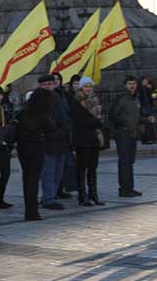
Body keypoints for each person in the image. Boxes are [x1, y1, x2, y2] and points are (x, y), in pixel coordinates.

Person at [15, 88, 56, 221]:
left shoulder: (23, 111)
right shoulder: (42, 113)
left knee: (26, 178)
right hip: (36, 146)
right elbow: (51, 128)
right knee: (34, 179)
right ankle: (32, 211)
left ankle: (29, 209)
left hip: (22, 146)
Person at [70, 77, 105, 206]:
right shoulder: (77, 101)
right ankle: (82, 195)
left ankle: (93, 194)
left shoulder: (95, 101)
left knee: (93, 167)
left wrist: (97, 124)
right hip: (82, 138)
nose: (88, 89)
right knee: (82, 168)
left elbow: (99, 119)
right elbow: (78, 121)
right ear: (81, 88)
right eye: (86, 86)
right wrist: (95, 122)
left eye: (90, 86)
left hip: (94, 138)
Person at [37, 74, 70, 210]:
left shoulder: (58, 97)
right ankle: (48, 198)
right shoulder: (37, 100)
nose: (47, 87)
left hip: (61, 140)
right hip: (47, 141)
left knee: (58, 171)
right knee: (48, 172)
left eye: (49, 84)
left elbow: (66, 116)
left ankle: (53, 195)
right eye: (44, 85)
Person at [110, 76, 143, 197]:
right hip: (123, 133)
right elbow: (113, 115)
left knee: (130, 161)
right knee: (124, 161)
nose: (132, 86)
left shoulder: (136, 99)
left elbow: (136, 116)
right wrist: (125, 123)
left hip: (133, 133)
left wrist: (145, 119)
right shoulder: (122, 99)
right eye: (129, 83)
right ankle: (123, 188)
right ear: (125, 85)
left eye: (134, 83)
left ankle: (130, 187)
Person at [138, 76, 157, 144]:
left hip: (151, 108)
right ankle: (146, 139)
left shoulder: (153, 90)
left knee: (156, 123)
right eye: (144, 82)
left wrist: (154, 103)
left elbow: (155, 97)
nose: (146, 83)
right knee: (145, 124)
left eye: (147, 82)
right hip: (145, 108)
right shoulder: (141, 89)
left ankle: (156, 138)